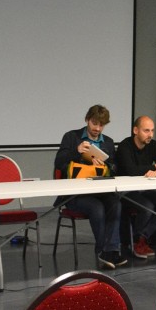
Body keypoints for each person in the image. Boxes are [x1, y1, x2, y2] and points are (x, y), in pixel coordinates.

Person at [53, 104, 127, 269]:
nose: (97, 128)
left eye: (101, 125)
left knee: (116, 204)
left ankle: (112, 250)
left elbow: (115, 168)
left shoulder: (107, 142)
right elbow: (59, 163)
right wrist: (77, 151)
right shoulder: (71, 137)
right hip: (75, 194)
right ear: (87, 120)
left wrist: (105, 164)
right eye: (94, 123)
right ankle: (103, 251)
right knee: (97, 208)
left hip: (100, 191)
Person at [115, 115, 156, 259]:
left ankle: (142, 238)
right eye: (146, 131)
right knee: (147, 207)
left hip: (144, 189)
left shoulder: (153, 145)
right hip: (125, 191)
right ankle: (135, 241)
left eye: (152, 131)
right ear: (135, 130)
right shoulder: (124, 146)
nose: (150, 135)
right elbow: (131, 170)